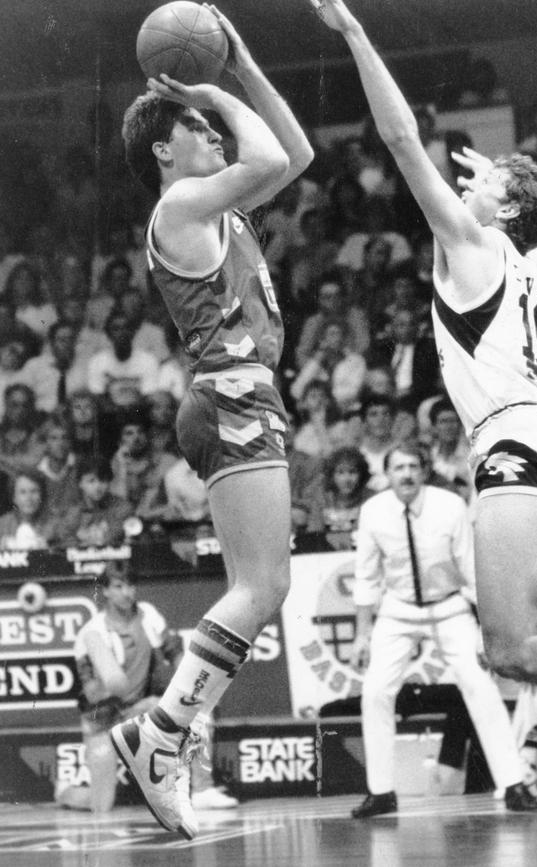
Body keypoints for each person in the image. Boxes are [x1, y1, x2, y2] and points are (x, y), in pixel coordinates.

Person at [314, 3, 537, 864]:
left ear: (500, 211)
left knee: (508, 646)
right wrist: (513, 180)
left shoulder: (472, 244)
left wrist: (355, 36)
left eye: (485, 181)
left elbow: (396, 138)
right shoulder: (531, 257)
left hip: (517, 447)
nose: (465, 184)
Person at [110, 5, 313, 840]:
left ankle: (161, 731)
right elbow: (268, 150)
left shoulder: (216, 205)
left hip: (234, 392)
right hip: (233, 392)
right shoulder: (183, 205)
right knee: (263, 586)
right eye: (198, 127)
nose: (218, 134)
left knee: (259, 585)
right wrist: (216, 87)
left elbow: (295, 153)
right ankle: (160, 735)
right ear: (165, 149)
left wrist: (241, 72)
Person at [349, 443, 537, 817]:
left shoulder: (449, 506)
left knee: (480, 686)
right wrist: (361, 634)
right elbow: (366, 576)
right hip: (398, 609)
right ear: (386, 475)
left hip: (449, 606)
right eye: (397, 468)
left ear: (423, 471)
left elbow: (471, 571)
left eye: (412, 467)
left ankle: (513, 784)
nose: (406, 474)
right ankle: (381, 791)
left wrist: (488, 630)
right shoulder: (373, 511)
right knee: (374, 692)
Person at [58, 561, 236, 813]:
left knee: (195, 709)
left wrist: (196, 688)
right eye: (119, 586)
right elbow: (91, 694)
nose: (127, 592)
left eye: (130, 585)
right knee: (101, 805)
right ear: (106, 591)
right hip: (103, 720)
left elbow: (175, 652)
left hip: (141, 708)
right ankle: (65, 792)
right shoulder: (90, 634)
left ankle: (203, 791)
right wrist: (111, 683)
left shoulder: (148, 614)